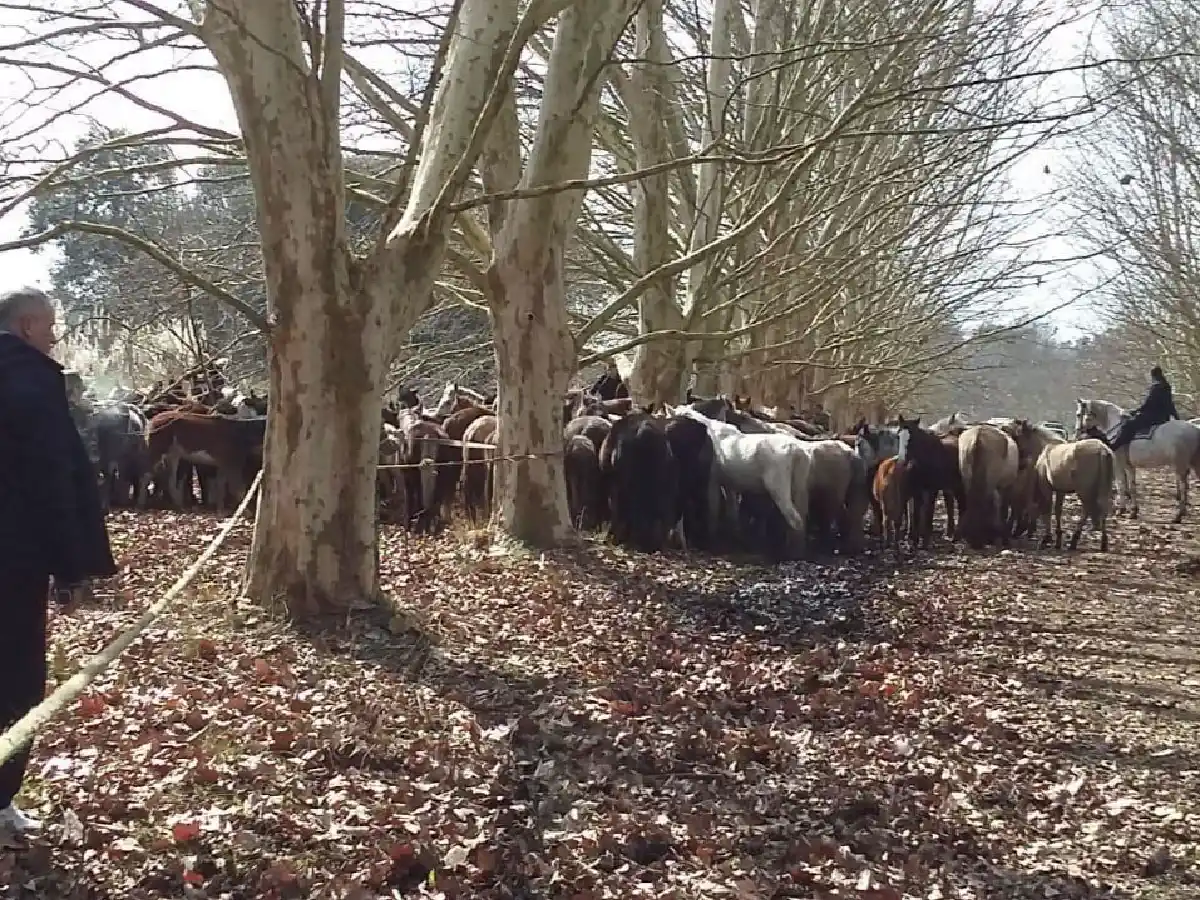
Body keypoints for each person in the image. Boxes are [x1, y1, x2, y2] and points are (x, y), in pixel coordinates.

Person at [0, 287, 116, 837]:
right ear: (25, 326)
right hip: (12, 560)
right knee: (15, 680)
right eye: (49, 325)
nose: (54, 335)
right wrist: (74, 569)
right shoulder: (29, 380)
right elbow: (53, 477)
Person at [1110, 365, 1179, 452]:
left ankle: (1116, 447)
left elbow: (1148, 404)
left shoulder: (1156, 388)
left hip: (1153, 417)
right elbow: (1170, 405)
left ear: (1153, 376)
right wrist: (1177, 418)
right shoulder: (1166, 386)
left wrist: (1134, 412)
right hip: (1163, 418)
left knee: (1128, 425)